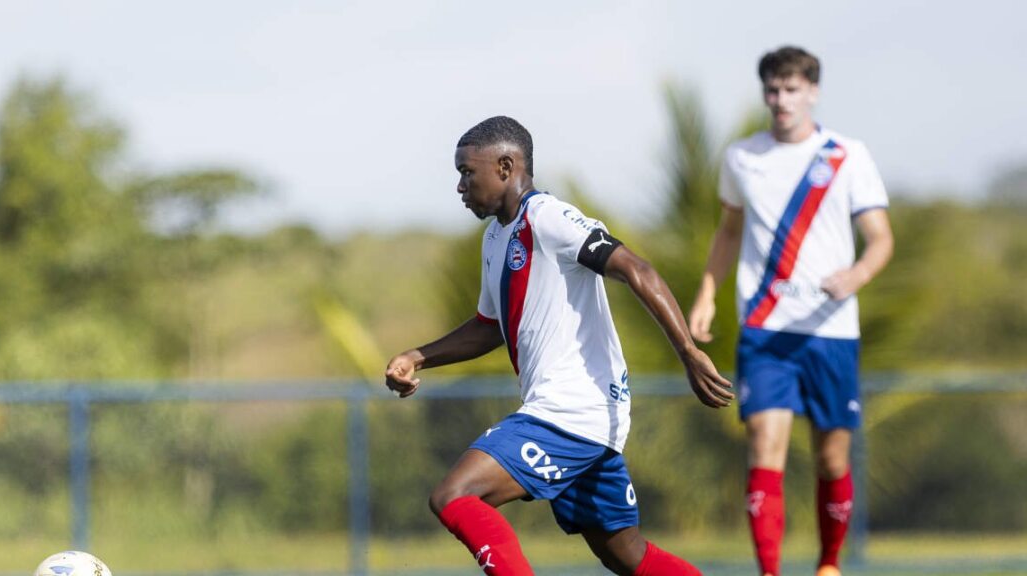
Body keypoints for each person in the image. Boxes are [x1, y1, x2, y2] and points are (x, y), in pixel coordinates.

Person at [384, 116, 735, 576]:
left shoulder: (547, 216)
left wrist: (688, 352)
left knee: (454, 495)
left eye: (467, 172)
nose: (460, 186)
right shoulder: (495, 238)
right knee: (624, 553)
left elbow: (637, 269)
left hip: (571, 410)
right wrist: (417, 356)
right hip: (583, 417)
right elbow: (489, 328)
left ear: (505, 167)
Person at [687, 46, 895, 576]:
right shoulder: (742, 157)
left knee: (831, 458)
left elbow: (880, 239)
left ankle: (829, 565)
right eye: (773, 89)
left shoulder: (847, 155)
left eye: (792, 89)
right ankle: (770, 571)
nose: (781, 99)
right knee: (764, 445)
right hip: (765, 329)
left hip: (831, 330)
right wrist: (707, 293)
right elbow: (728, 231)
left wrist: (856, 276)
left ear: (813, 92)